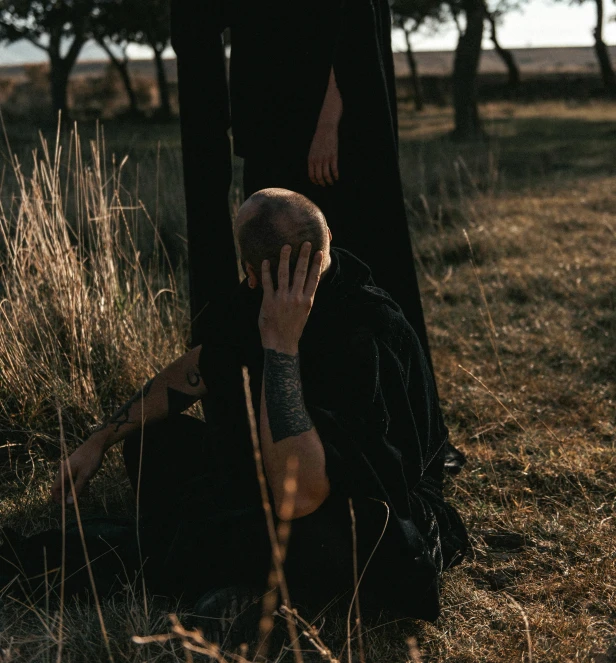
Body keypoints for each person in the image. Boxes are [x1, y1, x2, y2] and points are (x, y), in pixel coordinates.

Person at [44, 189, 467, 632]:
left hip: (354, 509)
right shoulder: (259, 294)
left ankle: (241, 584)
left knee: (320, 537)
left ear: (249, 271)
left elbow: (297, 496)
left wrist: (279, 344)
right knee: (153, 442)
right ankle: (234, 569)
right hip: (280, 479)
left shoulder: (367, 330)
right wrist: (99, 439)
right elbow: (199, 368)